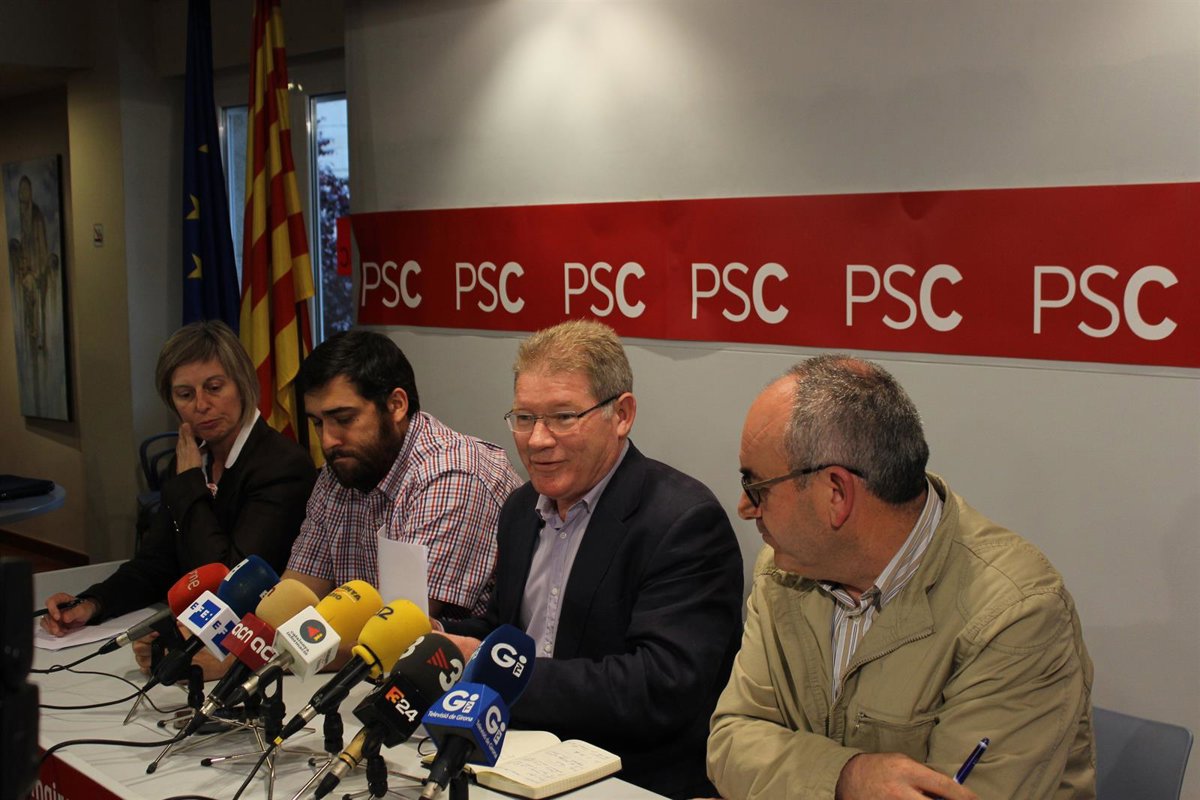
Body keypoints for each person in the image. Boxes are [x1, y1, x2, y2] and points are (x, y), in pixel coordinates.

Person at [707, 355, 1095, 800]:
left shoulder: (1016, 614)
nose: (745, 508)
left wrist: (790, 774)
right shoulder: (784, 572)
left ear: (836, 493)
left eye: (757, 488)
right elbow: (731, 741)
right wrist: (847, 778)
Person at [443, 320, 744, 799]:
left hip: (631, 776)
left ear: (621, 415)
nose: (537, 440)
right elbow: (509, 631)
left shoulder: (683, 521)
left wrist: (494, 670)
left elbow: (660, 687)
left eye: (563, 417)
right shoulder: (520, 509)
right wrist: (444, 640)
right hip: (517, 756)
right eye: (524, 417)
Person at [41, 320, 317, 634]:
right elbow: (157, 561)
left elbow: (230, 583)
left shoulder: (282, 465)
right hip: (198, 627)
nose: (201, 405)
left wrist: (189, 484)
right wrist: (94, 603)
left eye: (214, 388)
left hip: (256, 637)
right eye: (185, 394)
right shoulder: (190, 459)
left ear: (243, 385)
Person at [281, 330, 521, 620]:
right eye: (318, 423)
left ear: (396, 405)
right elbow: (298, 594)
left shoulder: (452, 474)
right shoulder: (343, 469)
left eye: (344, 419)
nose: (328, 440)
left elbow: (400, 625)